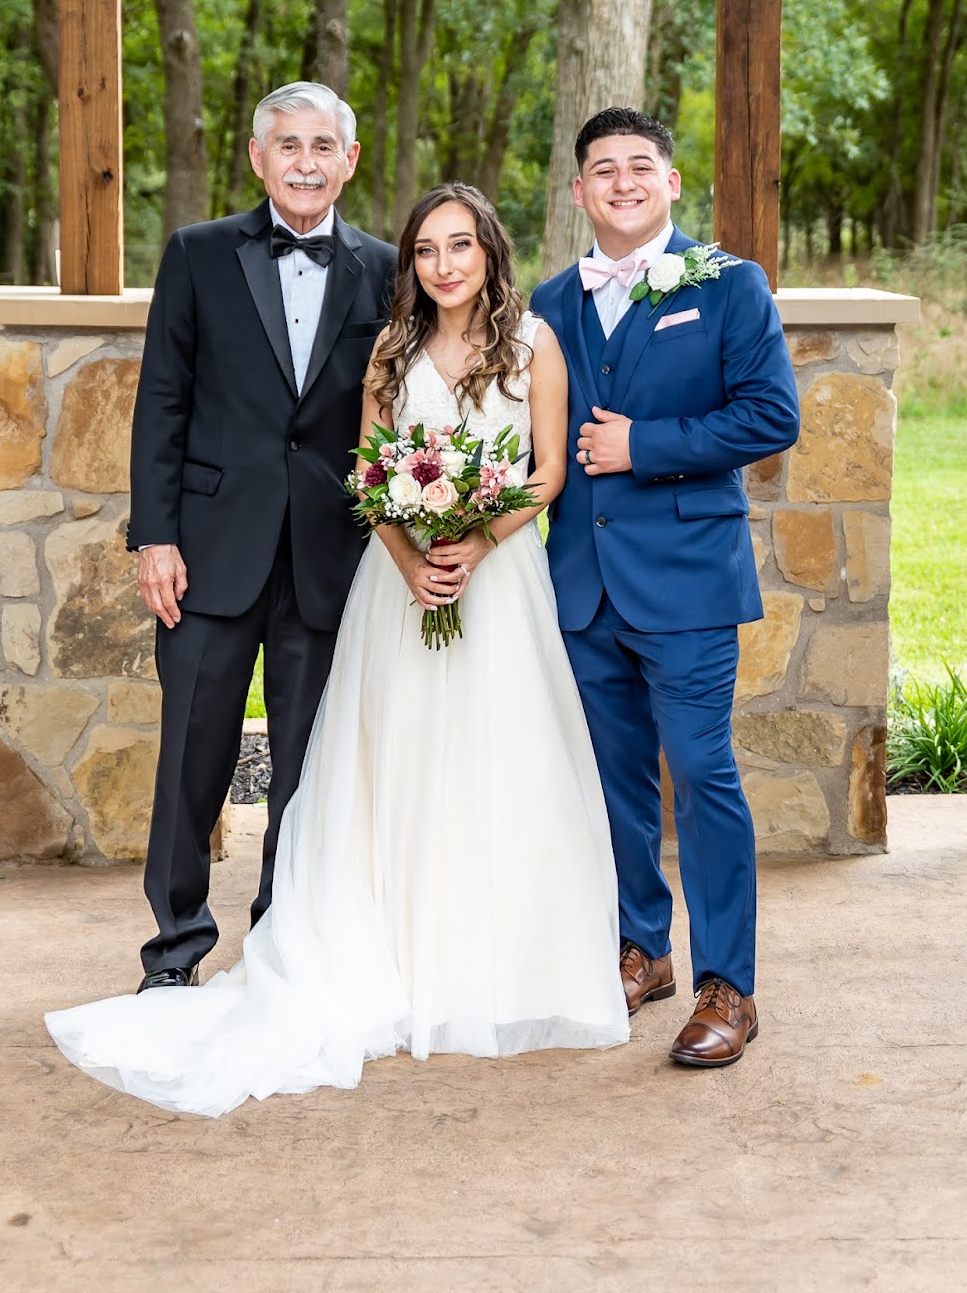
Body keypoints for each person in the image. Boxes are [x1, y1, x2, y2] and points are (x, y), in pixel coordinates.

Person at [46, 183, 629, 1116]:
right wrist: (411, 559)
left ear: (490, 250)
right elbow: (369, 469)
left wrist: (476, 543)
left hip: (500, 583)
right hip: (398, 585)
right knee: (390, 763)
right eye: (426, 250)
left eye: (461, 246)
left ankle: (487, 963)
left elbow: (549, 471)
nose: (443, 265)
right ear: (410, 263)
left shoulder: (535, 345)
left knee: (498, 762)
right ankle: (314, 950)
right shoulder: (392, 349)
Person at [531, 107, 800, 1069]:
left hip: (687, 582)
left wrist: (641, 447)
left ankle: (730, 984)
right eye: (603, 169)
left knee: (701, 772)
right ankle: (642, 948)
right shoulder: (548, 301)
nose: (623, 182)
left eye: (640, 165)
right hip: (581, 584)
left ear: (671, 181)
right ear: (579, 192)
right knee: (612, 782)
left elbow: (770, 416)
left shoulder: (729, 284)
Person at [125, 82, 398, 992]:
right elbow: (161, 400)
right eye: (288, 145)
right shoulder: (197, 254)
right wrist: (155, 537)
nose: (305, 163)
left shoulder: (387, 269)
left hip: (330, 556)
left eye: (323, 146)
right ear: (258, 157)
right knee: (191, 758)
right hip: (208, 552)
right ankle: (175, 951)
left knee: (306, 767)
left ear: (349, 160)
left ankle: (281, 947)